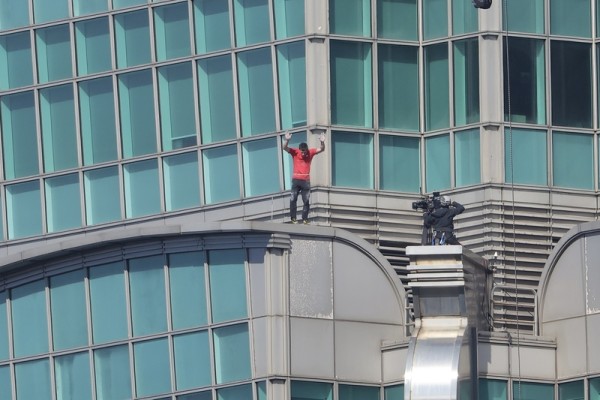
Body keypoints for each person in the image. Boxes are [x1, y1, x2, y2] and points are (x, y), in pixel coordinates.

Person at [282, 131, 325, 224]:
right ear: (299, 150)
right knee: (293, 199)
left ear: (307, 150)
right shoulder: (295, 152)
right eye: (302, 151)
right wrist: (287, 140)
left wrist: (322, 142)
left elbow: (321, 149)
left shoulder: (310, 152)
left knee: (306, 200)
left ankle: (305, 218)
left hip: (305, 181)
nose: (303, 153)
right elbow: (284, 148)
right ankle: (293, 218)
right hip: (296, 180)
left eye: (305, 151)